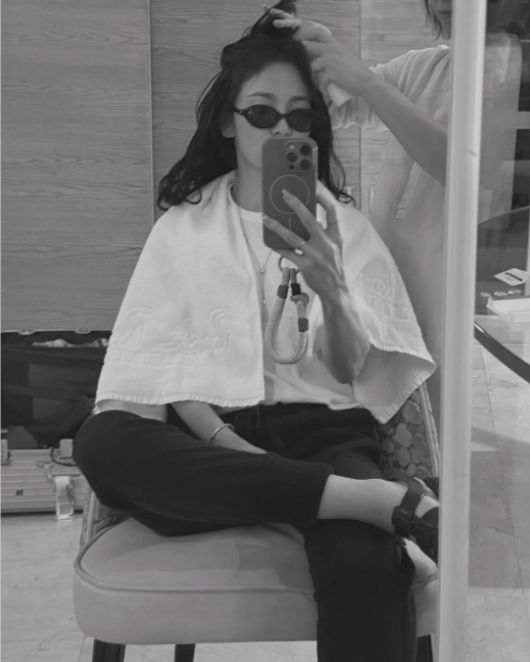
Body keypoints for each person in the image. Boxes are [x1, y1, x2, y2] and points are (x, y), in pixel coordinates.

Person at [74, 4, 439, 661]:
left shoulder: (346, 228)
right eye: (262, 114)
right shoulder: (184, 227)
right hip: (209, 438)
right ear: (228, 120)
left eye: (300, 117)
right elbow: (163, 369)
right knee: (103, 442)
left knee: (368, 562)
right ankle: (357, 500)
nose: (282, 130)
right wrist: (231, 445)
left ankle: (326, 498)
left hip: (323, 434)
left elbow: (351, 371)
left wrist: (333, 288)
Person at [271, 0, 523, 426]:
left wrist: (366, 82)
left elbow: (468, 169)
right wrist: (314, 63)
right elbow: (336, 109)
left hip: (460, 296)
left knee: (446, 425)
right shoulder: (423, 68)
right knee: (394, 418)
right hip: (391, 283)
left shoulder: (512, 79)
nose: (441, 4)